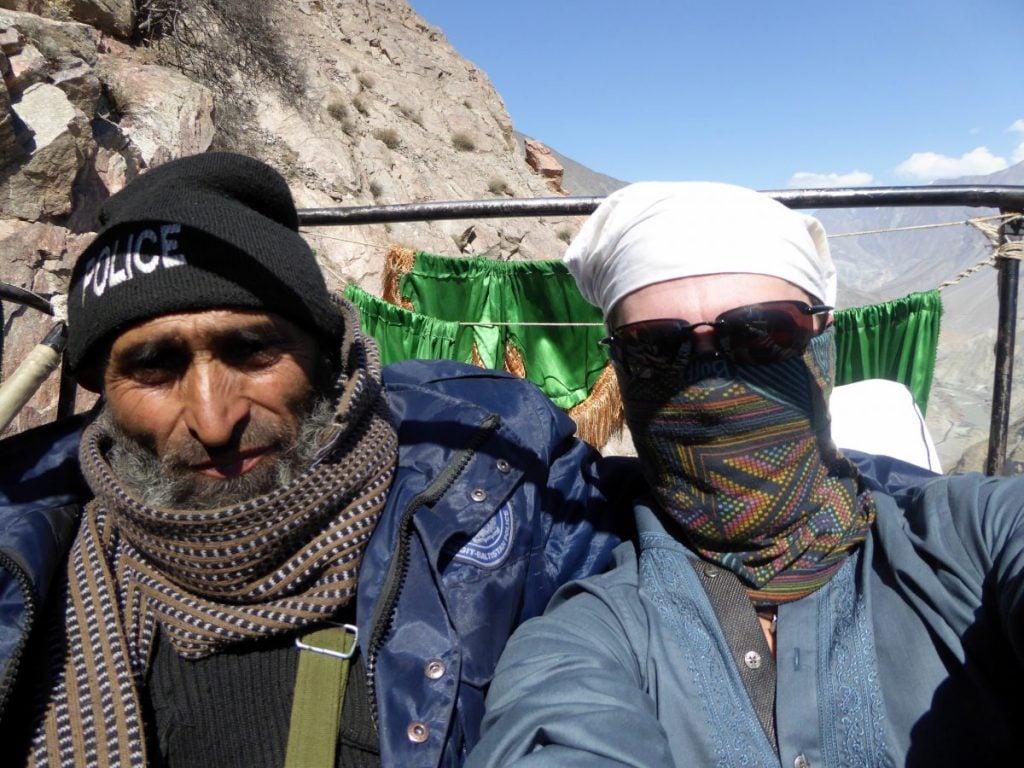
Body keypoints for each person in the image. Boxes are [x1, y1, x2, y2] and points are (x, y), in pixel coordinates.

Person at [0, 152, 633, 767]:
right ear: (101, 393)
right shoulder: (26, 539)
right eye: (154, 366)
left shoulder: (500, 478)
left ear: (329, 355)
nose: (215, 420)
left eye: (252, 351)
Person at [468, 182, 1024, 767]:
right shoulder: (588, 635)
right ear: (622, 369)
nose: (710, 382)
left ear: (821, 339)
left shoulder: (972, 536)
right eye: (658, 345)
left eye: (761, 332)